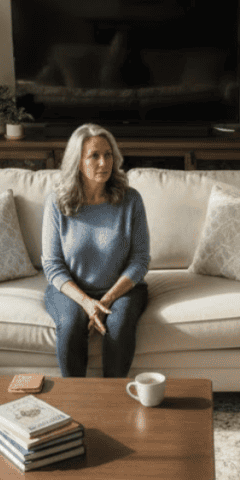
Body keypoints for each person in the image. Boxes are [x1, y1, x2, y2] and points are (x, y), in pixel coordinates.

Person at [42, 123, 151, 378]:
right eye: (94, 156)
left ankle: (112, 404)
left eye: (108, 154)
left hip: (122, 290)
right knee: (70, 326)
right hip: (70, 290)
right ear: (77, 162)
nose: (104, 162)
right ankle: (75, 401)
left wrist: (106, 300)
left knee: (119, 325)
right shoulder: (57, 203)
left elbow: (140, 260)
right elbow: (52, 264)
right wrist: (86, 302)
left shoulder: (131, 199)